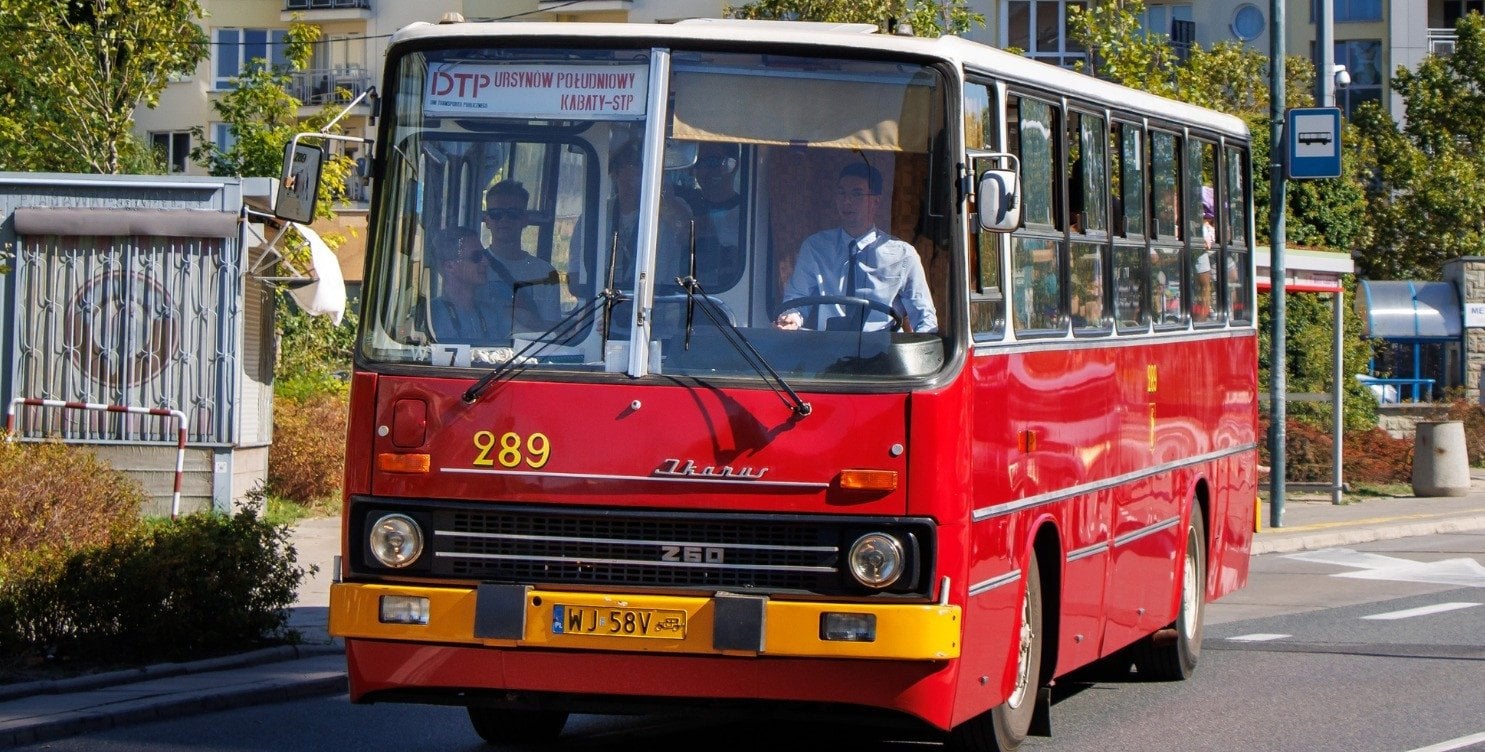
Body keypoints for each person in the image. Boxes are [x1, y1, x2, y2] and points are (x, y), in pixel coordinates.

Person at [775, 162, 937, 333]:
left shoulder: (903, 255)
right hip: (828, 344)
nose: (847, 201)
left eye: (857, 194)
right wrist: (791, 318)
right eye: (841, 193)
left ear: (876, 201)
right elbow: (797, 298)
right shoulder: (815, 247)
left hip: (884, 346)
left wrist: (921, 347)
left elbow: (925, 318)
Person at [481, 180, 562, 333]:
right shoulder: (475, 266)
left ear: (525, 219)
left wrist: (526, 317)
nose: (504, 220)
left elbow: (553, 333)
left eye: (512, 213)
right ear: (487, 220)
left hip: (532, 348)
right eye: (496, 214)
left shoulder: (546, 273)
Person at [679, 142, 745, 289]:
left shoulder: (747, 214)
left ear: (732, 165)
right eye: (698, 163)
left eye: (712, 162)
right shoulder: (684, 205)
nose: (704, 170)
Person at [429, 227, 494, 344]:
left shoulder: (491, 314)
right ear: (450, 266)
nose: (486, 262)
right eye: (476, 257)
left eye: (484, 255)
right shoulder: (431, 314)